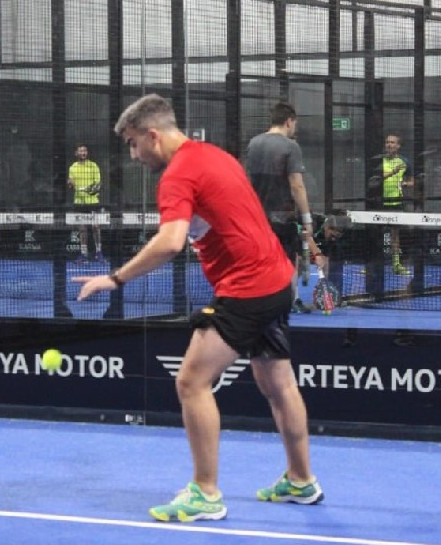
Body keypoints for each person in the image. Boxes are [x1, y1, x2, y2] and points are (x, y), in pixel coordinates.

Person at [73, 94, 323, 523]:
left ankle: (205, 493)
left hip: (247, 288)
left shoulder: (177, 174)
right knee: (278, 383)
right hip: (277, 279)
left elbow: (170, 242)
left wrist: (115, 278)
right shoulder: (215, 155)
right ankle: (301, 481)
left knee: (191, 381)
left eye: (133, 143)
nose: (133, 155)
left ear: (153, 135)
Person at [246, 102, 326, 314]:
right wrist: (307, 218)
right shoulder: (291, 146)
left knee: (262, 260)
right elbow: (297, 185)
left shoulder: (253, 143)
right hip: (283, 216)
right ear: (289, 121)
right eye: (294, 124)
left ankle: (262, 301)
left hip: (257, 215)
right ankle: (291, 300)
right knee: (289, 261)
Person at [380, 133, 414, 275]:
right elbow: (377, 177)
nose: (389, 145)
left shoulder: (405, 161)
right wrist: (393, 172)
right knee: (376, 234)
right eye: (387, 142)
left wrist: (405, 184)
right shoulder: (379, 161)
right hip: (380, 202)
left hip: (396, 202)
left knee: (395, 235)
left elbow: (412, 181)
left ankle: (396, 264)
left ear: (398, 146)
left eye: (392, 142)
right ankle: (375, 264)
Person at [67, 144, 104, 263]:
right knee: (82, 229)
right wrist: (70, 183)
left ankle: (99, 252)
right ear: (76, 153)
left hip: (93, 202)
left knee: (95, 227)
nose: (83, 153)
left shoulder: (93, 166)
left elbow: (97, 184)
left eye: (85, 151)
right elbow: (71, 183)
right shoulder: (73, 167)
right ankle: (84, 254)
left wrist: (89, 190)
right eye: (81, 151)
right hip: (79, 203)